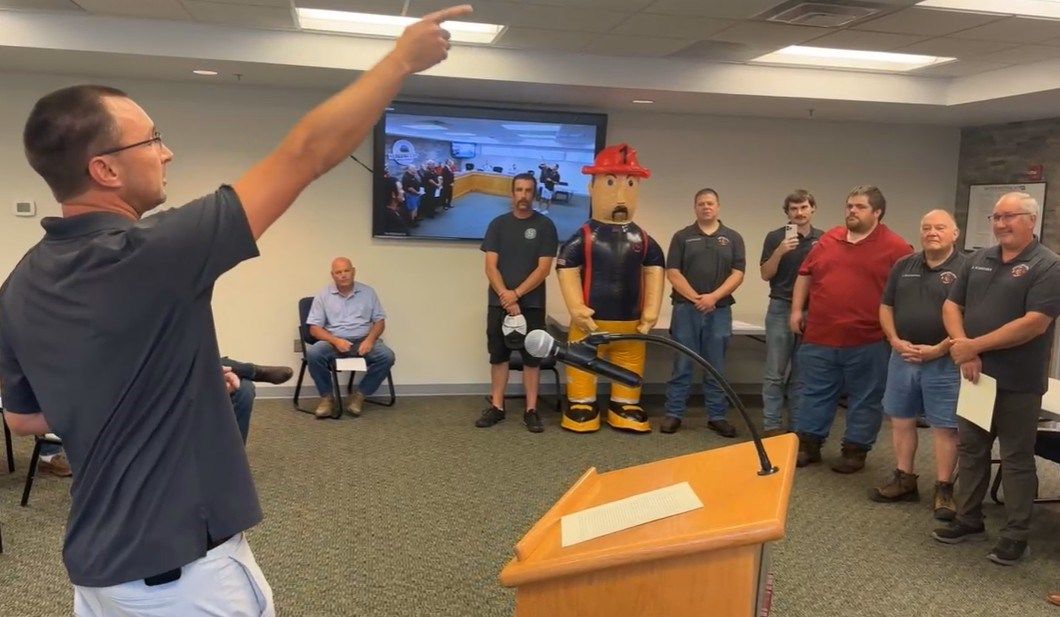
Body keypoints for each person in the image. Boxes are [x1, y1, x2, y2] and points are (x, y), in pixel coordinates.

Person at [0, 6, 464, 615]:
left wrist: (173, 384)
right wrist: (401, 59)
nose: (166, 153)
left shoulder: (19, 283)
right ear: (105, 169)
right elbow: (306, 153)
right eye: (152, 139)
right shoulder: (150, 252)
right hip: (185, 582)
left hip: (97, 577)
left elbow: (25, 419)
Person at [932, 192, 1060, 566]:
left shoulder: (1048, 265)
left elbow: (1034, 324)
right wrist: (965, 348)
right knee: (972, 450)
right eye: (996, 217)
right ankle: (969, 519)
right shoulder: (978, 259)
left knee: (1016, 458)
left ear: (1031, 220)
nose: (1001, 224)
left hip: (1019, 382)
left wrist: (973, 346)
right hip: (975, 378)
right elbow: (951, 305)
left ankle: (1016, 535)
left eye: (1010, 217)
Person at [790, 185, 912, 473]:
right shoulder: (828, 239)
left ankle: (855, 450)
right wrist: (796, 310)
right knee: (813, 392)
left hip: (868, 339)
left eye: (860, 207)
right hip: (820, 335)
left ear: (877, 212)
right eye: (849, 206)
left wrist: (896, 332)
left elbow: (906, 293)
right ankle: (809, 445)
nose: (852, 211)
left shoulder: (897, 248)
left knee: (865, 398)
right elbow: (805, 275)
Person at [555, 144, 665, 434]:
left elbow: (655, 271)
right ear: (592, 188)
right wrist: (576, 308)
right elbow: (566, 269)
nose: (620, 196)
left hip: (631, 324)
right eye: (611, 183)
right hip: (589, 323)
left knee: (630, 363)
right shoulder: (584, 237)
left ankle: (624, 404)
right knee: (581, 362)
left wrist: (651, 311)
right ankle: (582, 402)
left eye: (630, 184)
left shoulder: (643, 239)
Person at [869, 210, 965, 520]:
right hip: (903, 357)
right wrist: (894, 340)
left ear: (955, 234)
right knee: (901, 419)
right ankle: (904, 479)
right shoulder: (903, 265)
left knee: (945, 427)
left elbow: (971, 318)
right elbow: (886, 306)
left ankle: (944, 489)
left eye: (940, 227)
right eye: (926, 227)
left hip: (946, 361)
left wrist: (938, 349)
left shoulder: (966, 269)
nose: (932, 232)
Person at [476, 173, 558, 433]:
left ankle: (531, 410)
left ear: (534, 194)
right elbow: (490, 267)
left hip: (532, 305)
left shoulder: (545, 226)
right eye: (519, 190)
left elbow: (543, 269)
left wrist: (516, 294)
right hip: (498, 304)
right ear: (512, 193)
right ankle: (497, 407)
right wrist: (505, 295)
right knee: (498, 356)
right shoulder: (498, 225)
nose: (523, 195)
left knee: (531, 358)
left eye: (528, 190)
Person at [662, 188, 745, 437]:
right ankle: (674, 413)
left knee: (715, 365)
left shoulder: (733, 238)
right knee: (682, 363)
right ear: (695, 208)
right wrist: (696, 298)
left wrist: (713, 298)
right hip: (686, 309)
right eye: (701, 204)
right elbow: (673, 272)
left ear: (718, 206)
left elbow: (738, 274)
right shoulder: (682, 237)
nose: (706, 207)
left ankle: (717, 416)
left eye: (710, 203)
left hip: (719, 310)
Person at [759, 189, 823, 437]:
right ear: (787, 212)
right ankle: (771, 426)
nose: (799, 212)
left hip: (812, 311)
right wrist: (780, 251)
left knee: (802, 374)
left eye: (804, 207)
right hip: (780, 307)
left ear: (812, 208)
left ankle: (796, 427)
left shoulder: (824, 239)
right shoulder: (775, 237)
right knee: (775, 373)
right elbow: (765, 274)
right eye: (794, 209)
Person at [306, 257, 397, 419]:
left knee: (387, 356)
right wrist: (336, 341)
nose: (343, 275)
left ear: (353, 271)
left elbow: (380, 322)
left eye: (346, 270)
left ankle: (359, 396)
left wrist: (369, 340)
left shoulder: (368, 292)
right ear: (332, 275)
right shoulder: (323, 295)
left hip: (363, 340)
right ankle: (327, 398)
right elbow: (314, 329)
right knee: (314, 353)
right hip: (335, 342)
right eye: (338, 272)